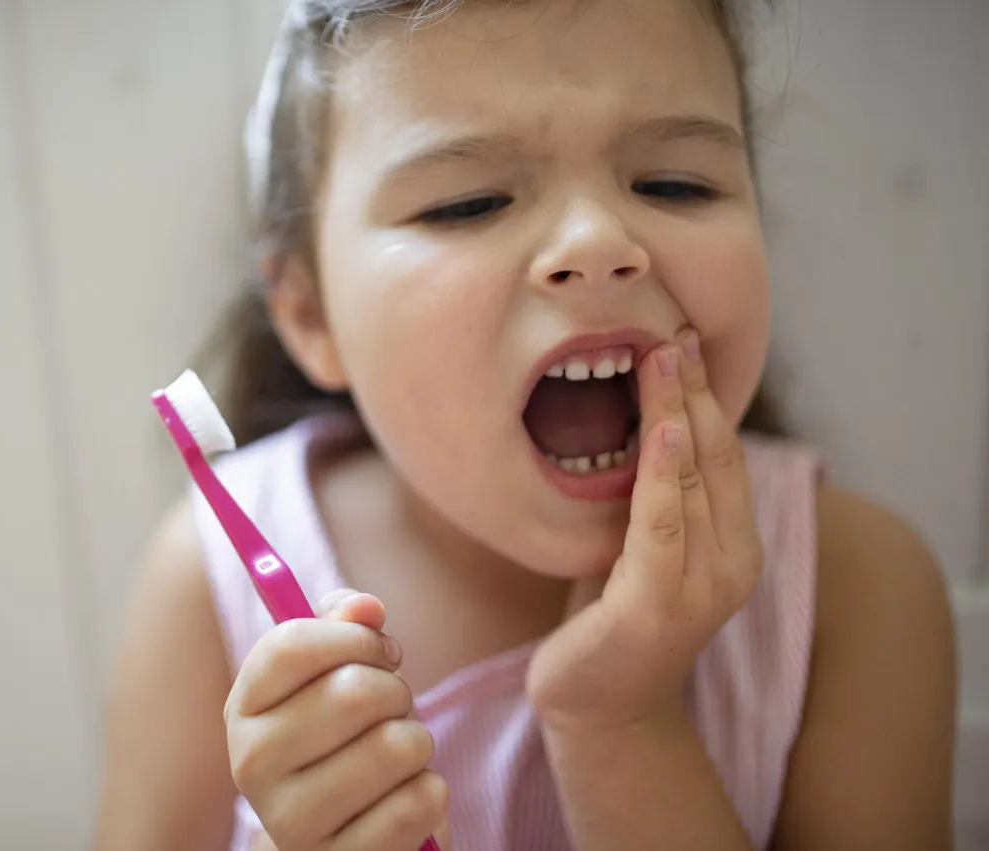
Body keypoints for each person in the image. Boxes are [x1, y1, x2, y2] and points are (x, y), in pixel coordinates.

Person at [94, 1, 958, 848]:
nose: (595, 239)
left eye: (673, 184)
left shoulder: (857, 588)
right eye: (467, 204)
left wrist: (620, 722)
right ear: (312, 313)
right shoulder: (212, 590)